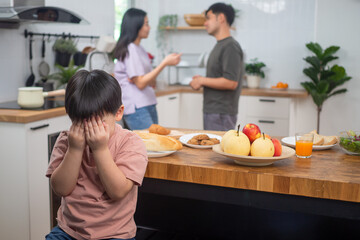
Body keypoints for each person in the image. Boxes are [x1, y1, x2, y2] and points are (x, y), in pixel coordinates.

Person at [45, 70, 148, 240]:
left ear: (118, 113)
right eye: (81, 122)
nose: (89, 130)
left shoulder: (130, 143)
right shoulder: (66, 141)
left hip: (115, 235)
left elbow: (118, 191)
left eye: (97, 123)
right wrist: (75, 150)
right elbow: (60, 189)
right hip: (69, 231)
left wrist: (100, 149)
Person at [114, 8, 182, 130]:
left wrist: (143, 79)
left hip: (147, 102)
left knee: (154, 143)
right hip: (137, 106)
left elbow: (150, 81)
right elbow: (141, 83)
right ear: (136, 25)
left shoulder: (140, 49)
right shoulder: (131, 49)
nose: (149, 27)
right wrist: (164, 63)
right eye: (146, 24)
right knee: (149, 146)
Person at [190, 3, 244, 131]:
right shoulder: (221, 45)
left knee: (216, 150)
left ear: (221, 18)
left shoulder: (230, 46)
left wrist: (202, 80)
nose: (205, 23)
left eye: (208, 18)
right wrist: (202, 79)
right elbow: (220, 77)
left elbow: (231, 82)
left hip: (220, 113)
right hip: (215, 112)